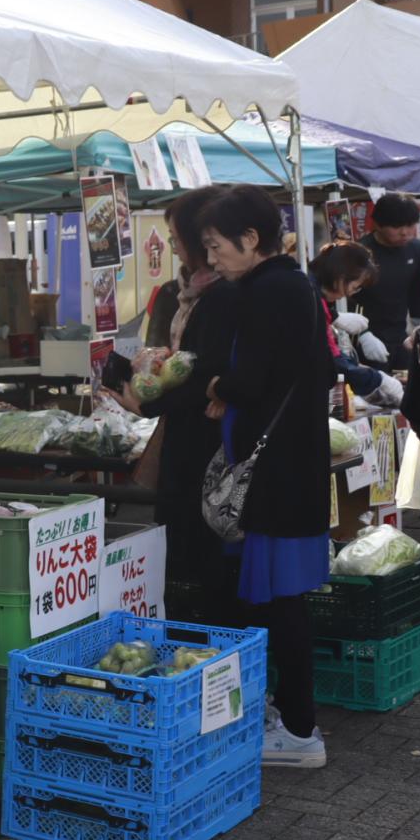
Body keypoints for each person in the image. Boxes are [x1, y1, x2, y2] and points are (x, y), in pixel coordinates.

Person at [200, 184, 331, 768]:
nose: (211, 258)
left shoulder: (264, 292)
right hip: (294, 466)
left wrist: (217, 387)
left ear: (250, 240)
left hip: (274, 477)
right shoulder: (296, 284)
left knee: (281, 605)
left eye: (216, 246)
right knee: (285, 599)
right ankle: (290, 713)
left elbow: (248, 381)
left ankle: (301, 733)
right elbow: (320, 369)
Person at [108, 188, 237, 593]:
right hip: (186, 431)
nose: (173, 246)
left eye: (176, 236)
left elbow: (207, 376)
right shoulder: (190, 292)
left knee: (197, 544)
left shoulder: (222, 297)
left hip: (205, 441)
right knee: (183, 539)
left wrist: (147, 405)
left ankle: (204, 632)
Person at [311, 242, 403, 405]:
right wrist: (377, 379)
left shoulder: (319, 300)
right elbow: (330, 361)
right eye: (356, 286)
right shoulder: (312, 299)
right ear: (341, 276)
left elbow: (335, 355)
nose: (353, 292)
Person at [346, 193, 420, 366]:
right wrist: (363, 335)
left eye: (410, 225)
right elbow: (346, 298)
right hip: (367, 336)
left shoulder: (417, 249)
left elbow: (418, 292)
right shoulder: (360, 253)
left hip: (402, 335)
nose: (404, 233)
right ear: (377, 224)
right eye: (396, 226)